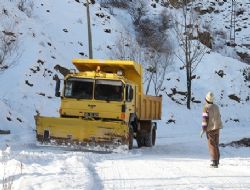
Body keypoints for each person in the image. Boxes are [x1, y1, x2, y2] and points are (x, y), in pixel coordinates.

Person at [200, 91, 223, 168]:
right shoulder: (216, 107)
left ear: (206, 99)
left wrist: (203, 129)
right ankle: (217, 160)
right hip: (217, 128)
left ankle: (214, 162)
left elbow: (204, 119)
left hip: (210, 129)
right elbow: (219, 116)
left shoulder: (205, 107)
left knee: (212, 144)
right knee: (216, 144)